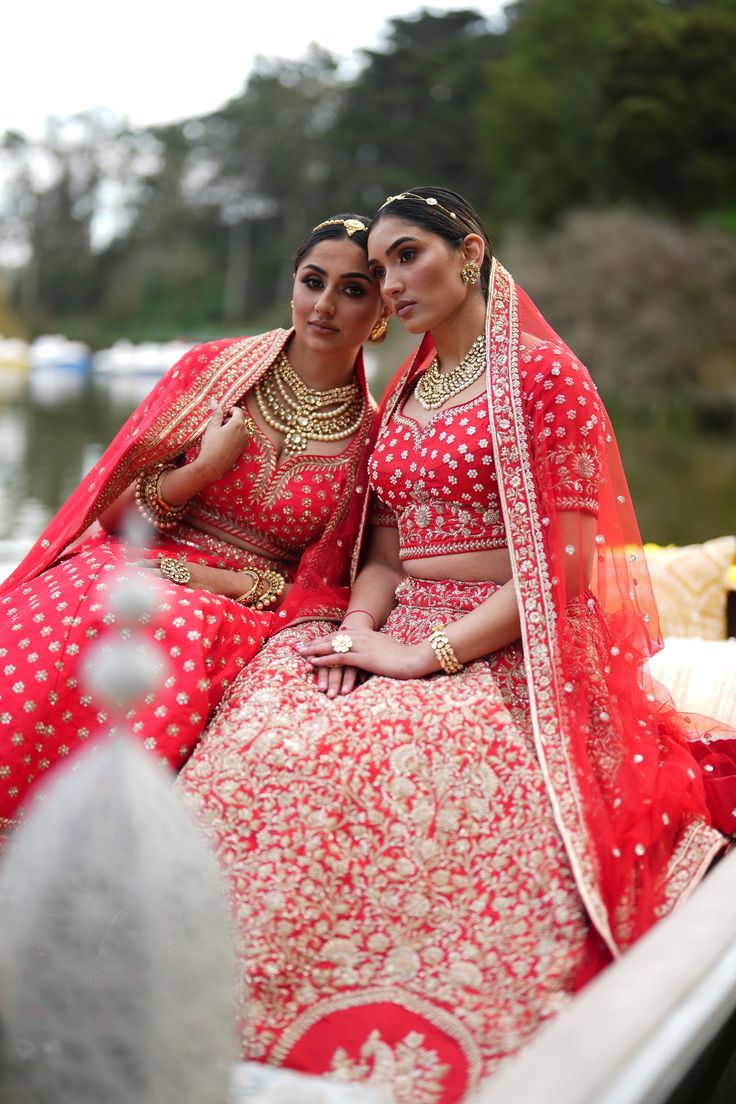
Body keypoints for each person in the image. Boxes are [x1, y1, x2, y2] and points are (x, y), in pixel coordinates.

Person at [177, 188, 735, 1101]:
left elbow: (560, 573)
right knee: (273, 723)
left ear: (469, 252)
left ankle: (393, 1021)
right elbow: (386, 548)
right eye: (380, 267)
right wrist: (358, 628)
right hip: (393, 619)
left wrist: (422, 656)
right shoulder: (411, 385)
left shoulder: (543, 377)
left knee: (401, 751)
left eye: (408, 257)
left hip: (507, 635)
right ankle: (222, 998)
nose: (388, 282)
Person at [0, 213, 387, 836]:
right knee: (89, 609)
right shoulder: (214, 373)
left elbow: (333, 582)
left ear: (383, 310)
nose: (324, 304)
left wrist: (228, 585)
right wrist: (202, 468)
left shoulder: (375, 437)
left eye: (352, 290)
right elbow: (114, 515)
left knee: (173, 626)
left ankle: (109, 844)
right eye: (313, 281)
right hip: (143, 554)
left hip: (251, 604)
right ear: (292, 286)